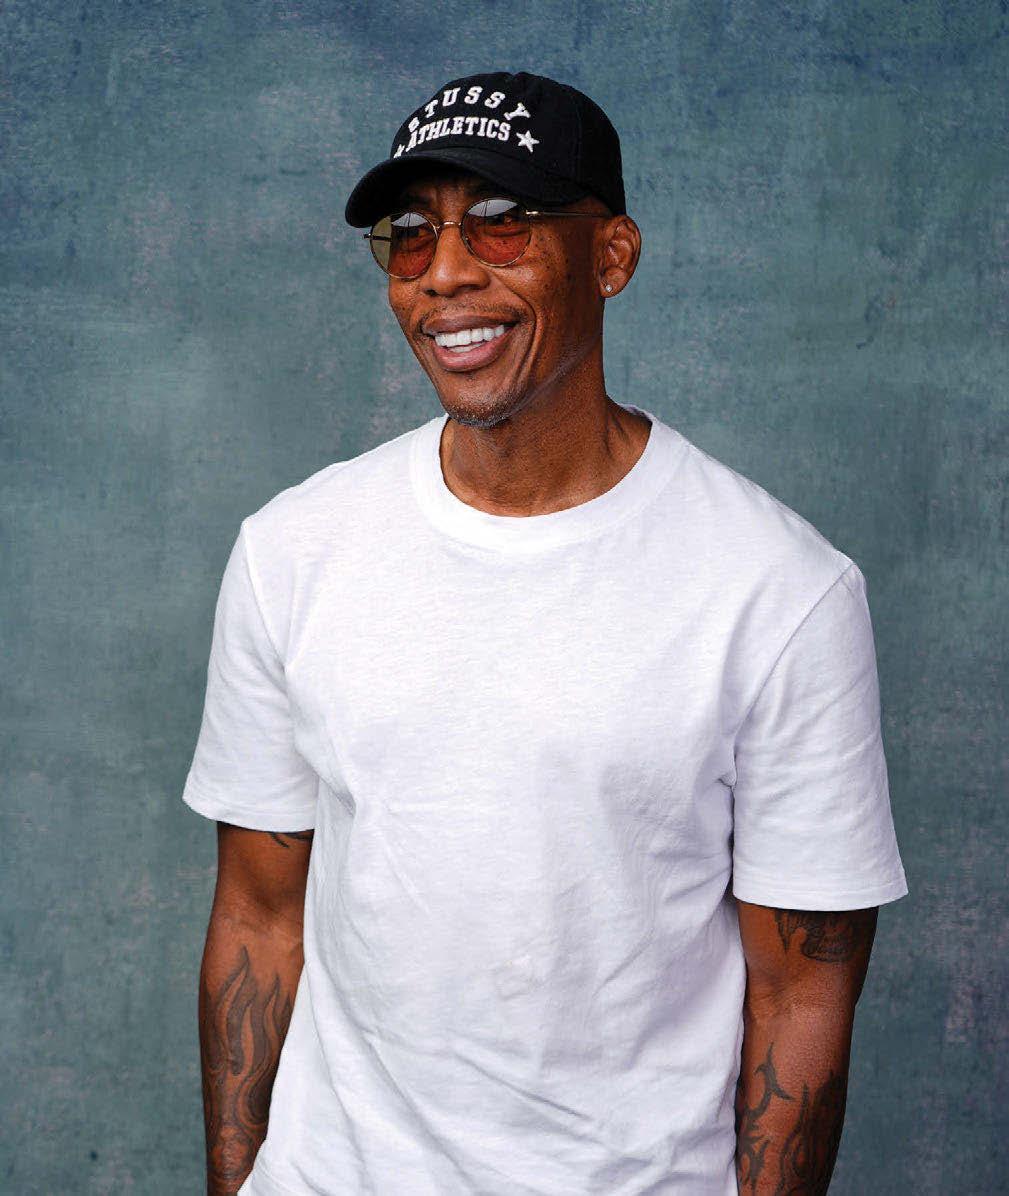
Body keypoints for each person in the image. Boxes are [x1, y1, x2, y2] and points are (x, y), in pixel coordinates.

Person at [183, 70, 909, 1196]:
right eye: (410, 234)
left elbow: (801, 989)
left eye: (501, 222)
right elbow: (259, 916)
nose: (445, 273)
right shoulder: (293, 549)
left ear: (611, 256)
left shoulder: (779, 591)